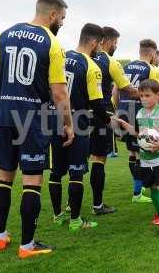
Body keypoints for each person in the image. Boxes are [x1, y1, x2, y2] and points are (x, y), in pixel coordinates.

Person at [0, 0, 73, 259]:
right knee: (32, 182)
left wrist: (5, 102)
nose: (62, 24)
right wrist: (68, 123)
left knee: (4, 179)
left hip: (5, 117)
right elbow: (59, 92)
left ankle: (1, 238)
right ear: (53, 15)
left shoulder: (3, 35)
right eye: (62, 19)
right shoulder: (52, 42)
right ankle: (27, 246)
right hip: (33, 120)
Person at [49, 23, 116, 230]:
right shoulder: (91, 66)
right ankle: (76, 220)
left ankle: (58, 215)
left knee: (56, 172)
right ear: (95, 43)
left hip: (52, 118)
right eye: (99, 45)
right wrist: (109, 120)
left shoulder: (60, 56)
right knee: (76, 172)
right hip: (78, 119)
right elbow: (96, 104)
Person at [89, 26, 139, 214]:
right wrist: (150, 94)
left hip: (77, 114)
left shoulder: (82, 58)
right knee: (99, 159)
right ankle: (97, 205)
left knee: (77, 161)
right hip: (102, 113)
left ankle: (71, 206)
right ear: (108, 41)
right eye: (116, 43)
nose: (116, 46)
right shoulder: (111, 62)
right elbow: (127, 89)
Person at [117, 79, 159, 232]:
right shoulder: (139, 113)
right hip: (146, 158)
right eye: (141, 95)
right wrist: (126, 126)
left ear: (158, 95)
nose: (143, 98)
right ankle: (157, 214)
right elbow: (138, 133)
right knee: (153, 187)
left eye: (147, 95)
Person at [117, 39, 159, 203]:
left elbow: (115, 92)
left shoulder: (125, 67)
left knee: (133, 153)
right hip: (140, 112)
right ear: (152, 53)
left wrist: (119, 110)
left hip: (124, 111)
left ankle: (139, 187)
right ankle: (139, 192)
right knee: (142, 153)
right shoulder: (151, 69)